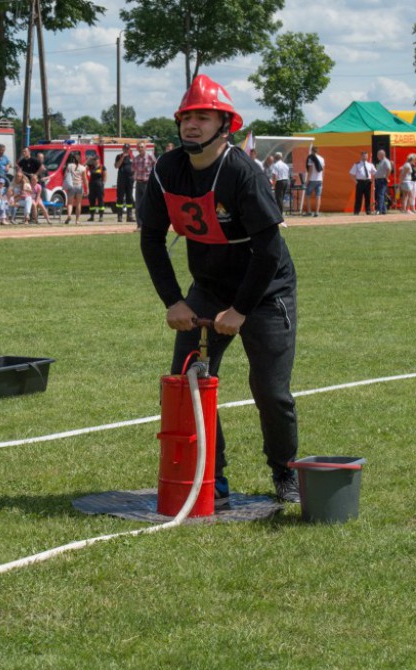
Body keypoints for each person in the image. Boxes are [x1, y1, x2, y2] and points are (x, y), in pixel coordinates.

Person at [139, 74, 300, 505]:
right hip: (207, 289)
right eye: (186, 117)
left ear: (224, 123)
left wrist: (242, 309)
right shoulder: (166, 170)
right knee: (188, 381)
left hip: (265, 292)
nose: (192, 125)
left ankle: (285, 472)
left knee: (270, 390)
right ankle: (213, 476)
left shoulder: (242, 172)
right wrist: (174, 300)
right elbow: (151, 238)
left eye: (203, 117)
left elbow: (268, 250)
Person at [132, 140, 156, 229]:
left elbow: (156, 168)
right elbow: (133, 170)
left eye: (142, 147)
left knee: (148, 205)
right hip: (138, 183)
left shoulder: (150, 157)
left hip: (147, 184)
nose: (140, 148)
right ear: (137, 149)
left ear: (145, 148)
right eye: (139, 147)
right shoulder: (135, 158)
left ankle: (149, 224)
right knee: (138, 205)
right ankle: (139, 225)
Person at [62, 153, 87, 225]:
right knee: (78, 204)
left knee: (70, 203)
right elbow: (85, 179)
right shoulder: (83, 168)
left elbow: (65, 175)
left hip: (71, 186)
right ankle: (77, 220)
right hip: (79, 186)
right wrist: (87, 188)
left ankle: (69, 215)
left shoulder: (69, 166)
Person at [349, 151, 375, 216]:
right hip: (360, 182)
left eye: (366, 156)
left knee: (368, 197)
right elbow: (351, 173)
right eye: (363, 156)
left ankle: (368, 211)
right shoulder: (357, 164)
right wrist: (355, 181)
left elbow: (375, 173)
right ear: (361, 156)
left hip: (367, 182)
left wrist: (373, 180)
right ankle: (356, 211)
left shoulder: (370, 165)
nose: (365, 157)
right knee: (358, 197)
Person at [114, 144, 135, 224]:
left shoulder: (132, 157)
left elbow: (135, 167)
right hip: (121, 179)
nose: (126, 150)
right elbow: (116, 166)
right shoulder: (119, 156)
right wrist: (122, 157)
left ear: (129, 149)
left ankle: (129, 216)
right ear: (122, 149)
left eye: (127, 149)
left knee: (129, 197)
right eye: (125, 148)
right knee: (120, 197)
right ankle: (119, 216)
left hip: (130, 179)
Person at [303, 146, 325, 217]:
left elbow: (310, 170)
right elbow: (323, 170)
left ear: (311, 151)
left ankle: (309, 211)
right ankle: (316, 212)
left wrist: (307, 180)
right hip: (320, 179)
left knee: (308, 195)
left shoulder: (311, 158)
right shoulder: (322, 158)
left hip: (312, 179)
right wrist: (322, 179)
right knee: (318, 196)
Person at [86, 156, 106, 222]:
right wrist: (89, 159)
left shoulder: (102, 167)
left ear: (98, 160)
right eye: (94, 160)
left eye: (96, 159)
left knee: (100, 200)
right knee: (92, 201)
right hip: (92, 185)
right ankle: (92, 216)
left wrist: (103, 184)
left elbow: (105, 176)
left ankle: (101, 217)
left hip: (99, 185)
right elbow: (84, 165)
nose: (95, 161)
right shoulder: (91, 166)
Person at [373, 149, 392, 215]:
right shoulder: (381, 161)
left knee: (380, 194)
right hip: (378, 180)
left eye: (378, 154)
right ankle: (384, 210)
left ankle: (379, 210)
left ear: (382, 155)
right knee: (381, 195)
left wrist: (386, 177)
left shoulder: (386, 161)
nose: (377, 156)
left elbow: (389, 169)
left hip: (382, 180)